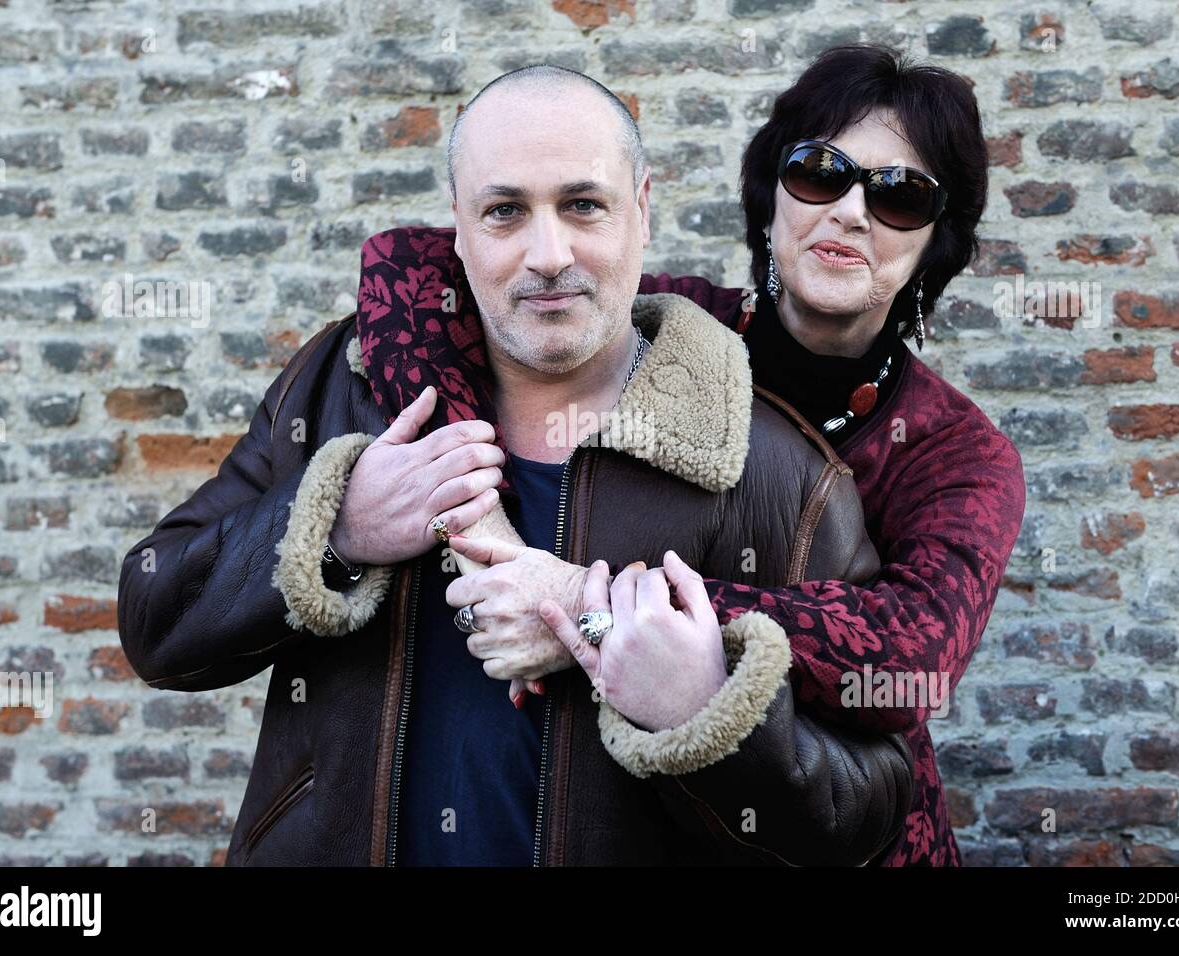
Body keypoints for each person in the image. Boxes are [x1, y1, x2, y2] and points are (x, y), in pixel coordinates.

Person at [117, 63, 912, 866]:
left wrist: (701, 706)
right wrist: (338, 526)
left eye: (582, 205)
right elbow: (156, 620)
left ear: (641, 209)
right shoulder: (341, 387)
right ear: (458, 228)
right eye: (505, 212)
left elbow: (866, 815)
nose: (547, 253)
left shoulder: (775, 471)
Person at [372, 45, 1027, 867]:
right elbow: (402, 266)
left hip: (842, 818)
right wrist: (479, 513)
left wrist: (590, 605)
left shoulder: (957, 453)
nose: (853, 212)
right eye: (820, 173)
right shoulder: (671, 331)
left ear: (937, 241)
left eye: (901, 195)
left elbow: (913, 652)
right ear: (769, 197)